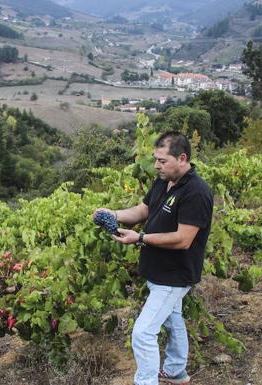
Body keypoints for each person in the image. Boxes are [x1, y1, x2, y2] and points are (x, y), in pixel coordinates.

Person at [93, 131, 213, 385]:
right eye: (155, 159)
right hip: (158, 271)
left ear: (182, 158)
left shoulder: (196, 192)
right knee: (173, 318)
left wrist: (140, 238)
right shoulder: (163, 180)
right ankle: (175, 371)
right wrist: (113, 213)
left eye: (162, 160)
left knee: (143, 333)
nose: (156, 165)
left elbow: (183, 238)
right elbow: (144, 209)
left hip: (174, 275)